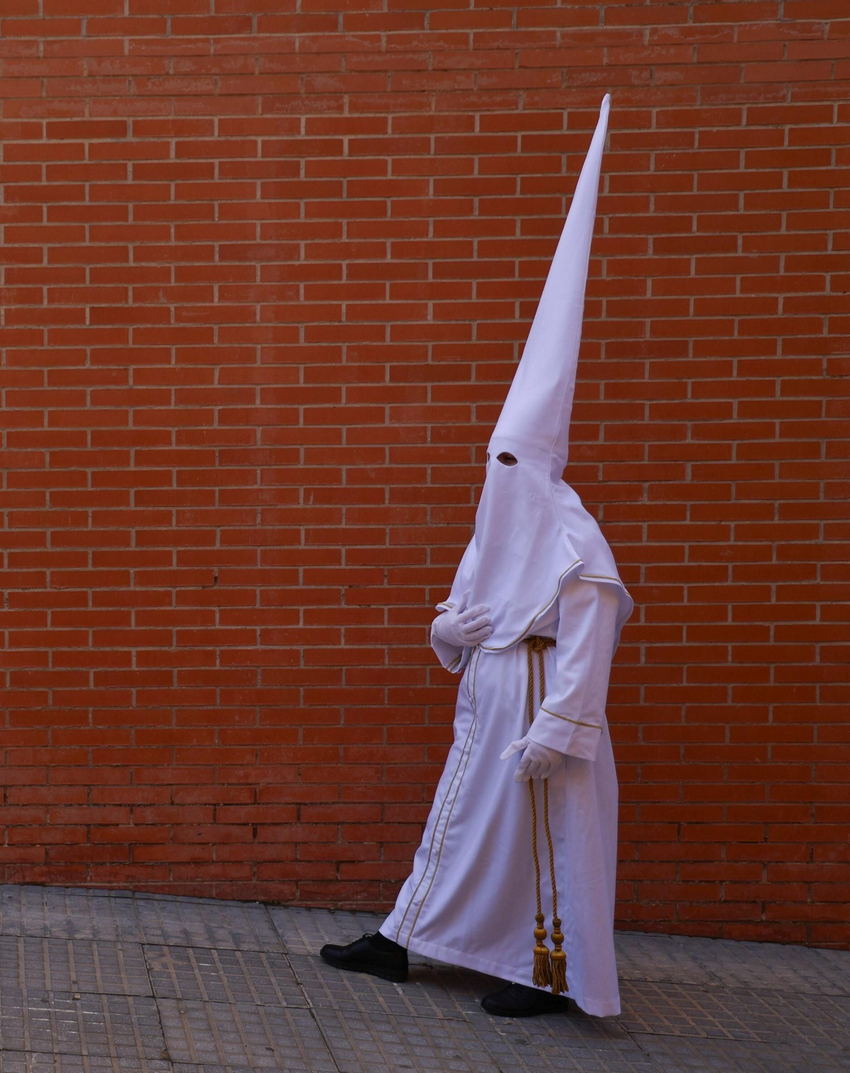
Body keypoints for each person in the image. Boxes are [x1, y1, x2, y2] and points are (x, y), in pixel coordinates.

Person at [320, 96, 633, 1019]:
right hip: (486, 701)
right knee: (463, 829)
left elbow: (593, 633)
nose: (497, 477)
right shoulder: (501, 524)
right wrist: (449, 628)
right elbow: (461, 609)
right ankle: (406, 938)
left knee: (537, 841)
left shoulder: (574, 540)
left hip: (538, 715)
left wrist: (560, 727)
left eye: (510, 463)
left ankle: (543, 970)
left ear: (536, 465)